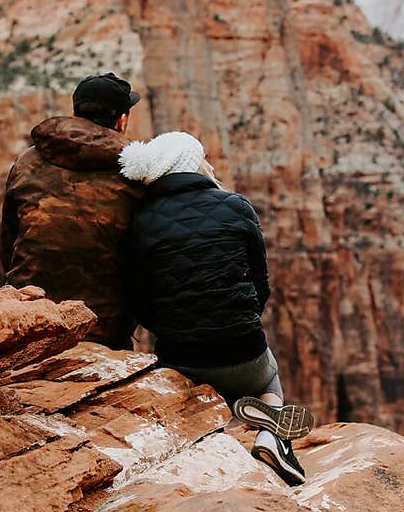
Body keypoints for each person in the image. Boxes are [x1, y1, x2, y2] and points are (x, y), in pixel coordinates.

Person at [119, 130, 313, 486]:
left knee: (198, 382)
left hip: (181, 357)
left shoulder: (140, 221)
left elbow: (139, 299)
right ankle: (273, 437)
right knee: (268, 377)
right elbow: (261, 282)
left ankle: (212, 447)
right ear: (193, 163)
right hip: (242, 348)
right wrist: (241, 318)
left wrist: (171, 329)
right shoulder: (235, 205)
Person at [0, 72, 143, 349]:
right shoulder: (135, 169)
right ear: (121, 120)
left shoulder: (27, 161)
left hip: (28, 316)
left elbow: (9, 242)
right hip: (104, 328)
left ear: (75, 112)